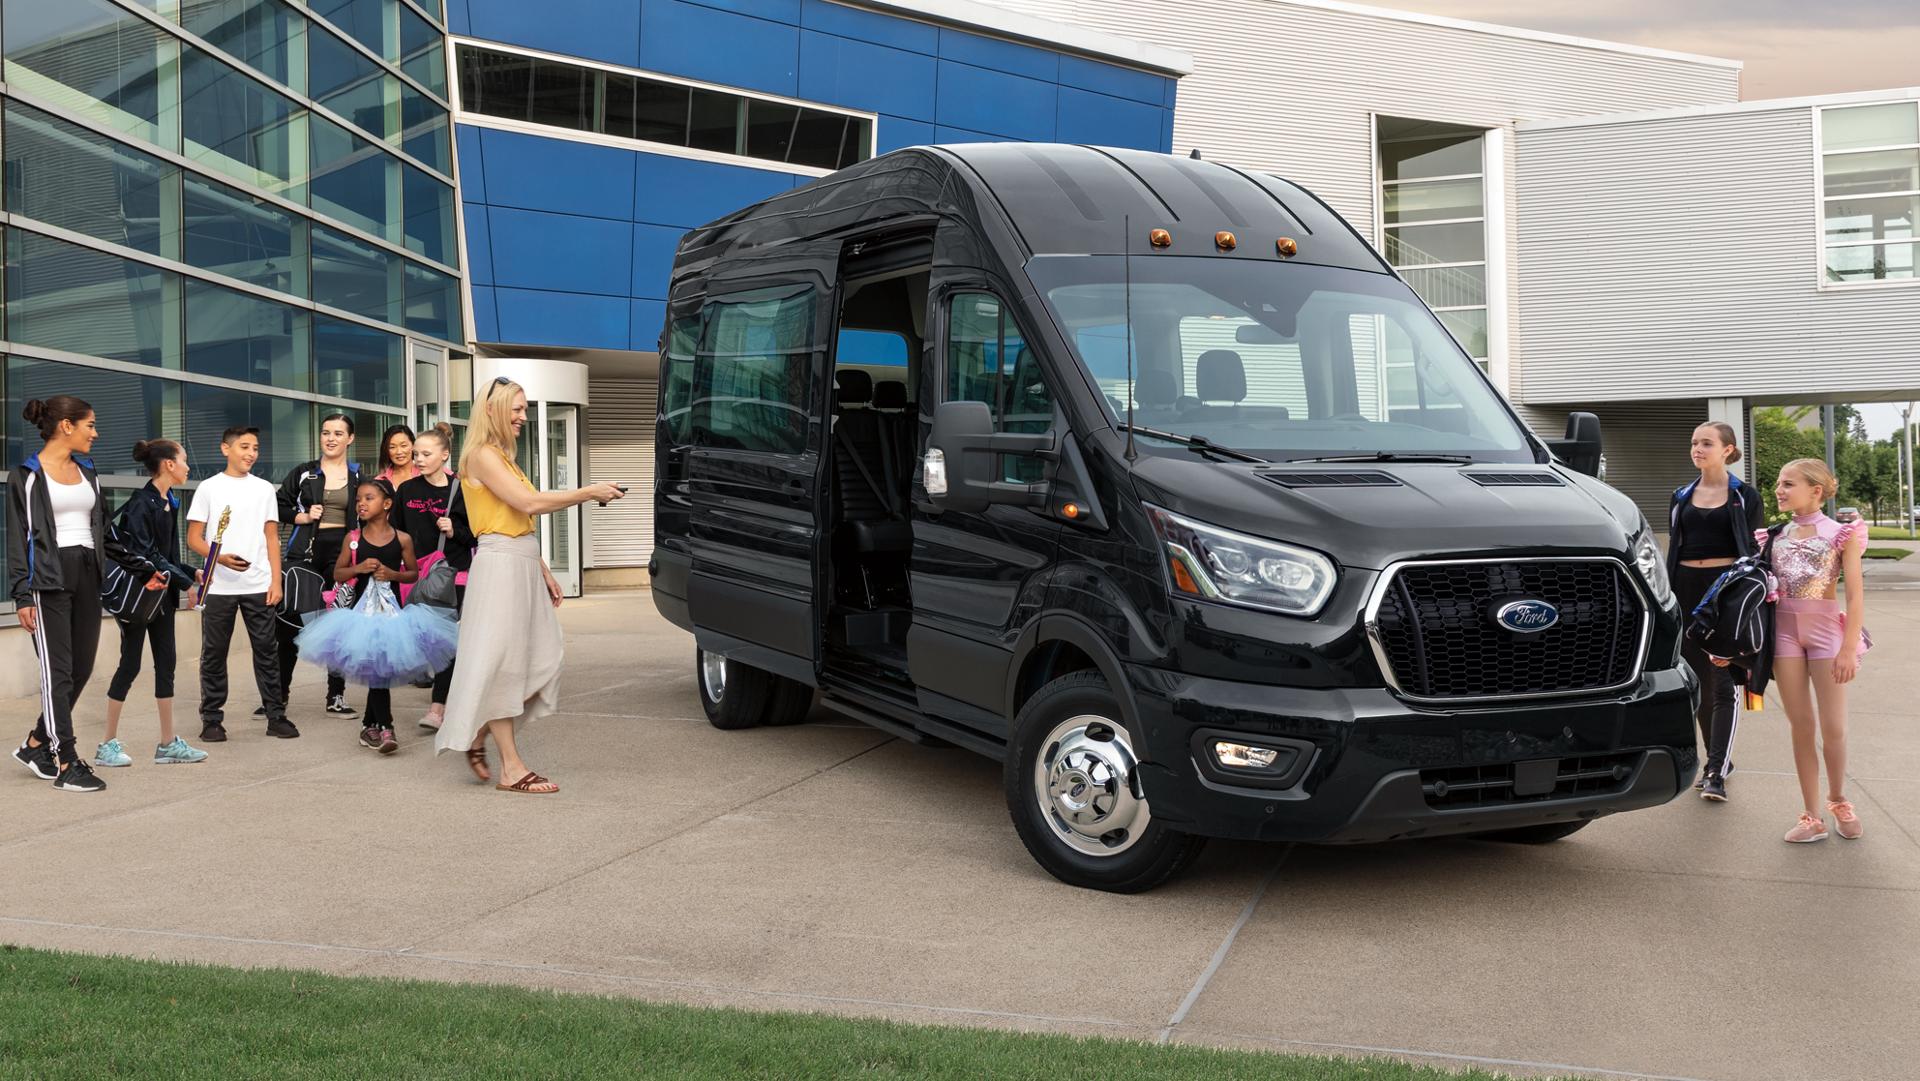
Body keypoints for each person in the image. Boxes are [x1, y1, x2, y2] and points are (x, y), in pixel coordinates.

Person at [435, 378, 624, 794]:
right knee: (504, 664)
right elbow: (529, 505)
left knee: (542, 658)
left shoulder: (503, 456)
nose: (523, 416)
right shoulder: (483, 455)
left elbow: (517, 520)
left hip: (519, 561)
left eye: (524, 409)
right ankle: (511, 768)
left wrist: (542, 568)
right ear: (492, 410)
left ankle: (482, 731)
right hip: (500, 566)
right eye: (516, 409)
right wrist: (589, 491)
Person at [9, 396, 134, 793]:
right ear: (67, 425)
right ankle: (65, 761)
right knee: (57, 673)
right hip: (48, 578)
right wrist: (22, 595)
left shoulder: (88, 469)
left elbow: (104, 529)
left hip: (87, 573)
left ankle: (35, 745)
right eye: (90, 425)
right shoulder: (27, 476)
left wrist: (147, 569)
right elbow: (18, 539)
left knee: (81, 668)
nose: (95, 434)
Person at [295, 479, 457, 755]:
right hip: (361, 619)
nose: (361, 504)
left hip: (393, 618)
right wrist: (359, 567)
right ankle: (386, 727)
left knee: (379, 670)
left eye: (368, 498)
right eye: (358, 499)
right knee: (377, 671)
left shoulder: (402, 538)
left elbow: (413, 573)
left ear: (387, 504)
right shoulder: (353, 539)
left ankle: (370, 725)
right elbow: (338, 573)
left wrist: (393, 574)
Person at [1764, 459, 1869, 843]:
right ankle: (1811, 817)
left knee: (1834, 727)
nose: (1779, 489)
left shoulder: (1842, 534)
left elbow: (1855, 596)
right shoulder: (1773, 536)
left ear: (1816, 490)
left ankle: (1838, 799)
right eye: (1778, 482)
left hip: (1826, 634)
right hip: (1785, 633)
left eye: (1788, 483)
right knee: (1801, 726)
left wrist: (1846, 648)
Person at [1665, 421, 1762, 802]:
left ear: (1728, 449)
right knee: (1696, 682)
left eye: (1706, 443)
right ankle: (1717, 760)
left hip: (1724, 593)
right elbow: (1675, 547)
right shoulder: (1680, 495)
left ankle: (1716, 770)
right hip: (1685, 592)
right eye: (1693, 443)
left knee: (1721, 682)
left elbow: (1753, 555)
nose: (1697, 449)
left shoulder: (1744, 496)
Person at [97, 439, 207, 768]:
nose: (188, 466)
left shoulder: (167, 500)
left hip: (161, 595)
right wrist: (186, 581)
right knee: (129, 665)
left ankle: (167, 744)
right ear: (169, 465)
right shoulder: (140, 503)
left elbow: (167, 557)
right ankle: (106, 745)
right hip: (139, 596)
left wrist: (192, 571)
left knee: (167, 664)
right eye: (184, 460)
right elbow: (147, 556)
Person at [190, 425, 293, 742]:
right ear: (226, 449)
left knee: (267, 652)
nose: (251, 453)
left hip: (258, 584)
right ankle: (211, 720)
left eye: (256, 448)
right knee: (214, 654)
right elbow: (194, 538)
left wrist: (276, 580)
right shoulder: (208, 488)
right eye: (245, 447)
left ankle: (276, 716)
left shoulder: (264, 489)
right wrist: (219, 558)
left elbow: (272, 537)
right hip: (219, 587)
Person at [276, 414, 360, 718]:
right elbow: (278, 505)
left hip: (343, 559)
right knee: (288, 625)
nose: (331, 438)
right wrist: (302, 516)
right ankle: (278, 697)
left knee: (337, 625)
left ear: (350, 439)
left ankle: (335, 695)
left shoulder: (359, 477)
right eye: (326, 432)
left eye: (338, 433)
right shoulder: (304, 473)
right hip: (306, 555)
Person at [393, 423, 473, 729]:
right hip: (416, 575)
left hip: (453, 573)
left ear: (445, 455)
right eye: (416, 454)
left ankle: (437, 709)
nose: (418, 459)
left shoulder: (462, 490)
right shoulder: (407, 490)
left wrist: (455, 530)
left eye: (426, 454)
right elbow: (395, 533)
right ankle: (450, 693)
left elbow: (476, 535)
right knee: (423, 639)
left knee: (445, 640)